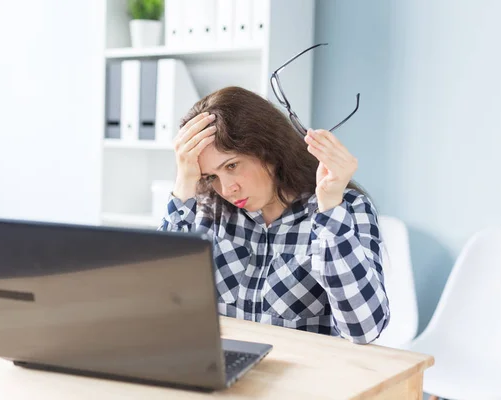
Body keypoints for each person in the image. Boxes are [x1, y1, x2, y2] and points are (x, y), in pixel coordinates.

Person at [158, 86, 389, 344]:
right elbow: (157, 311)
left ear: (268, 150)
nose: (226, 189)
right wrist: (184, 185)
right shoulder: (205, 211)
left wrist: (331, 209)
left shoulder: (347, 209)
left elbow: (364, 329)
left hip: (308, 377)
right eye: (211, 176)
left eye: (232, 166)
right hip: (225, 373)